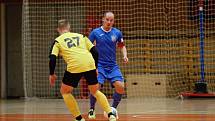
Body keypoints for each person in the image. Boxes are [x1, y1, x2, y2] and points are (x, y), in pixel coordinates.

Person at [49, 19, 117, 121]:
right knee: (95, 91)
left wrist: (51, 74)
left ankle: (79, 118)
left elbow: (53, 58)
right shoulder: (81, 36)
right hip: (89, 63)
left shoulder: (57, 40)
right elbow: (95, 52)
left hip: (74, 65)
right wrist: (96, 67)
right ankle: (111, 114)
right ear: (69, 28)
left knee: (65, 92)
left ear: (58, 29)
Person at [88, 11, 128, 119]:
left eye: (111, 20)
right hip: (99, 65)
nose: (109, 22)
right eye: (107, 20)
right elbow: (87, 47)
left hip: (112, 66)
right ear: (103, 19)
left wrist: (125, 55)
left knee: (120, 87)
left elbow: (122, 46)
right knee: (96, 87)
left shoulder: (117, 33)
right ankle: (92, 109)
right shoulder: (95, 33)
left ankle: (113, 108)